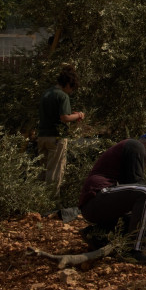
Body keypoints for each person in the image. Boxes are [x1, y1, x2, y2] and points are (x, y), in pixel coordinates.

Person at [78, 131, 146, 265]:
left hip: (94, 205)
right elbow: (136, 184)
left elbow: (129, 189)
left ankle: (96, 234)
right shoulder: (136, 146)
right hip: (98, 195)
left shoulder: (128, 150)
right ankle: (134, 251)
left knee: (135, 216)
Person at [37, 64, 85, 195]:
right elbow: (64, 117)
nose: (71, 91)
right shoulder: (63, 96)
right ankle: (50, 202)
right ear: (68, 84)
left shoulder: (46, 93)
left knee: (43, 169)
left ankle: (37, 199)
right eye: (72, 88)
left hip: (42, 136)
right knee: (55, 170)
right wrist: (78, 115)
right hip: (56, 138)